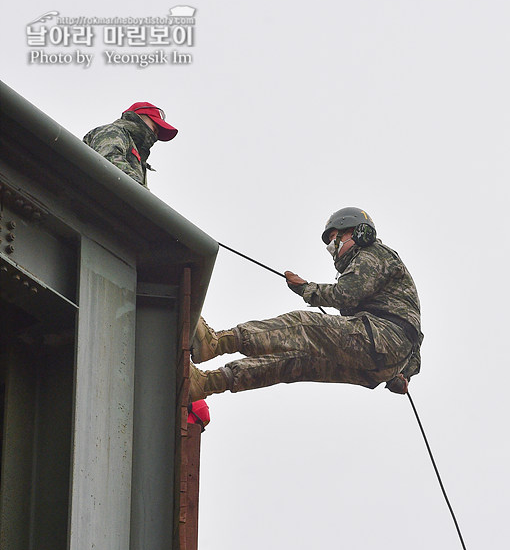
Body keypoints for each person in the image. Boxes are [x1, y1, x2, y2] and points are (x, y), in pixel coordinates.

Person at [188, 207, 423, 400]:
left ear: (357, 233)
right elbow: (415, 336)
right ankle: (207, 383)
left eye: (336, 237)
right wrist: (403, 375)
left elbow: (346, 294)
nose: (333, 246)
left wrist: (305, 288)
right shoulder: (370, 264)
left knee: (302, 325)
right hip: (382, 359)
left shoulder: (373, 253)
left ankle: (215, 343)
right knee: (293, 361)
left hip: (382, 339)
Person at [83, 102, 178, 187]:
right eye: (154, 129)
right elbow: (108, 161)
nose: (155, 136)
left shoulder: (137, 154)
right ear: (139, 118)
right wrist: (142, 196)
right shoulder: (113, 132)